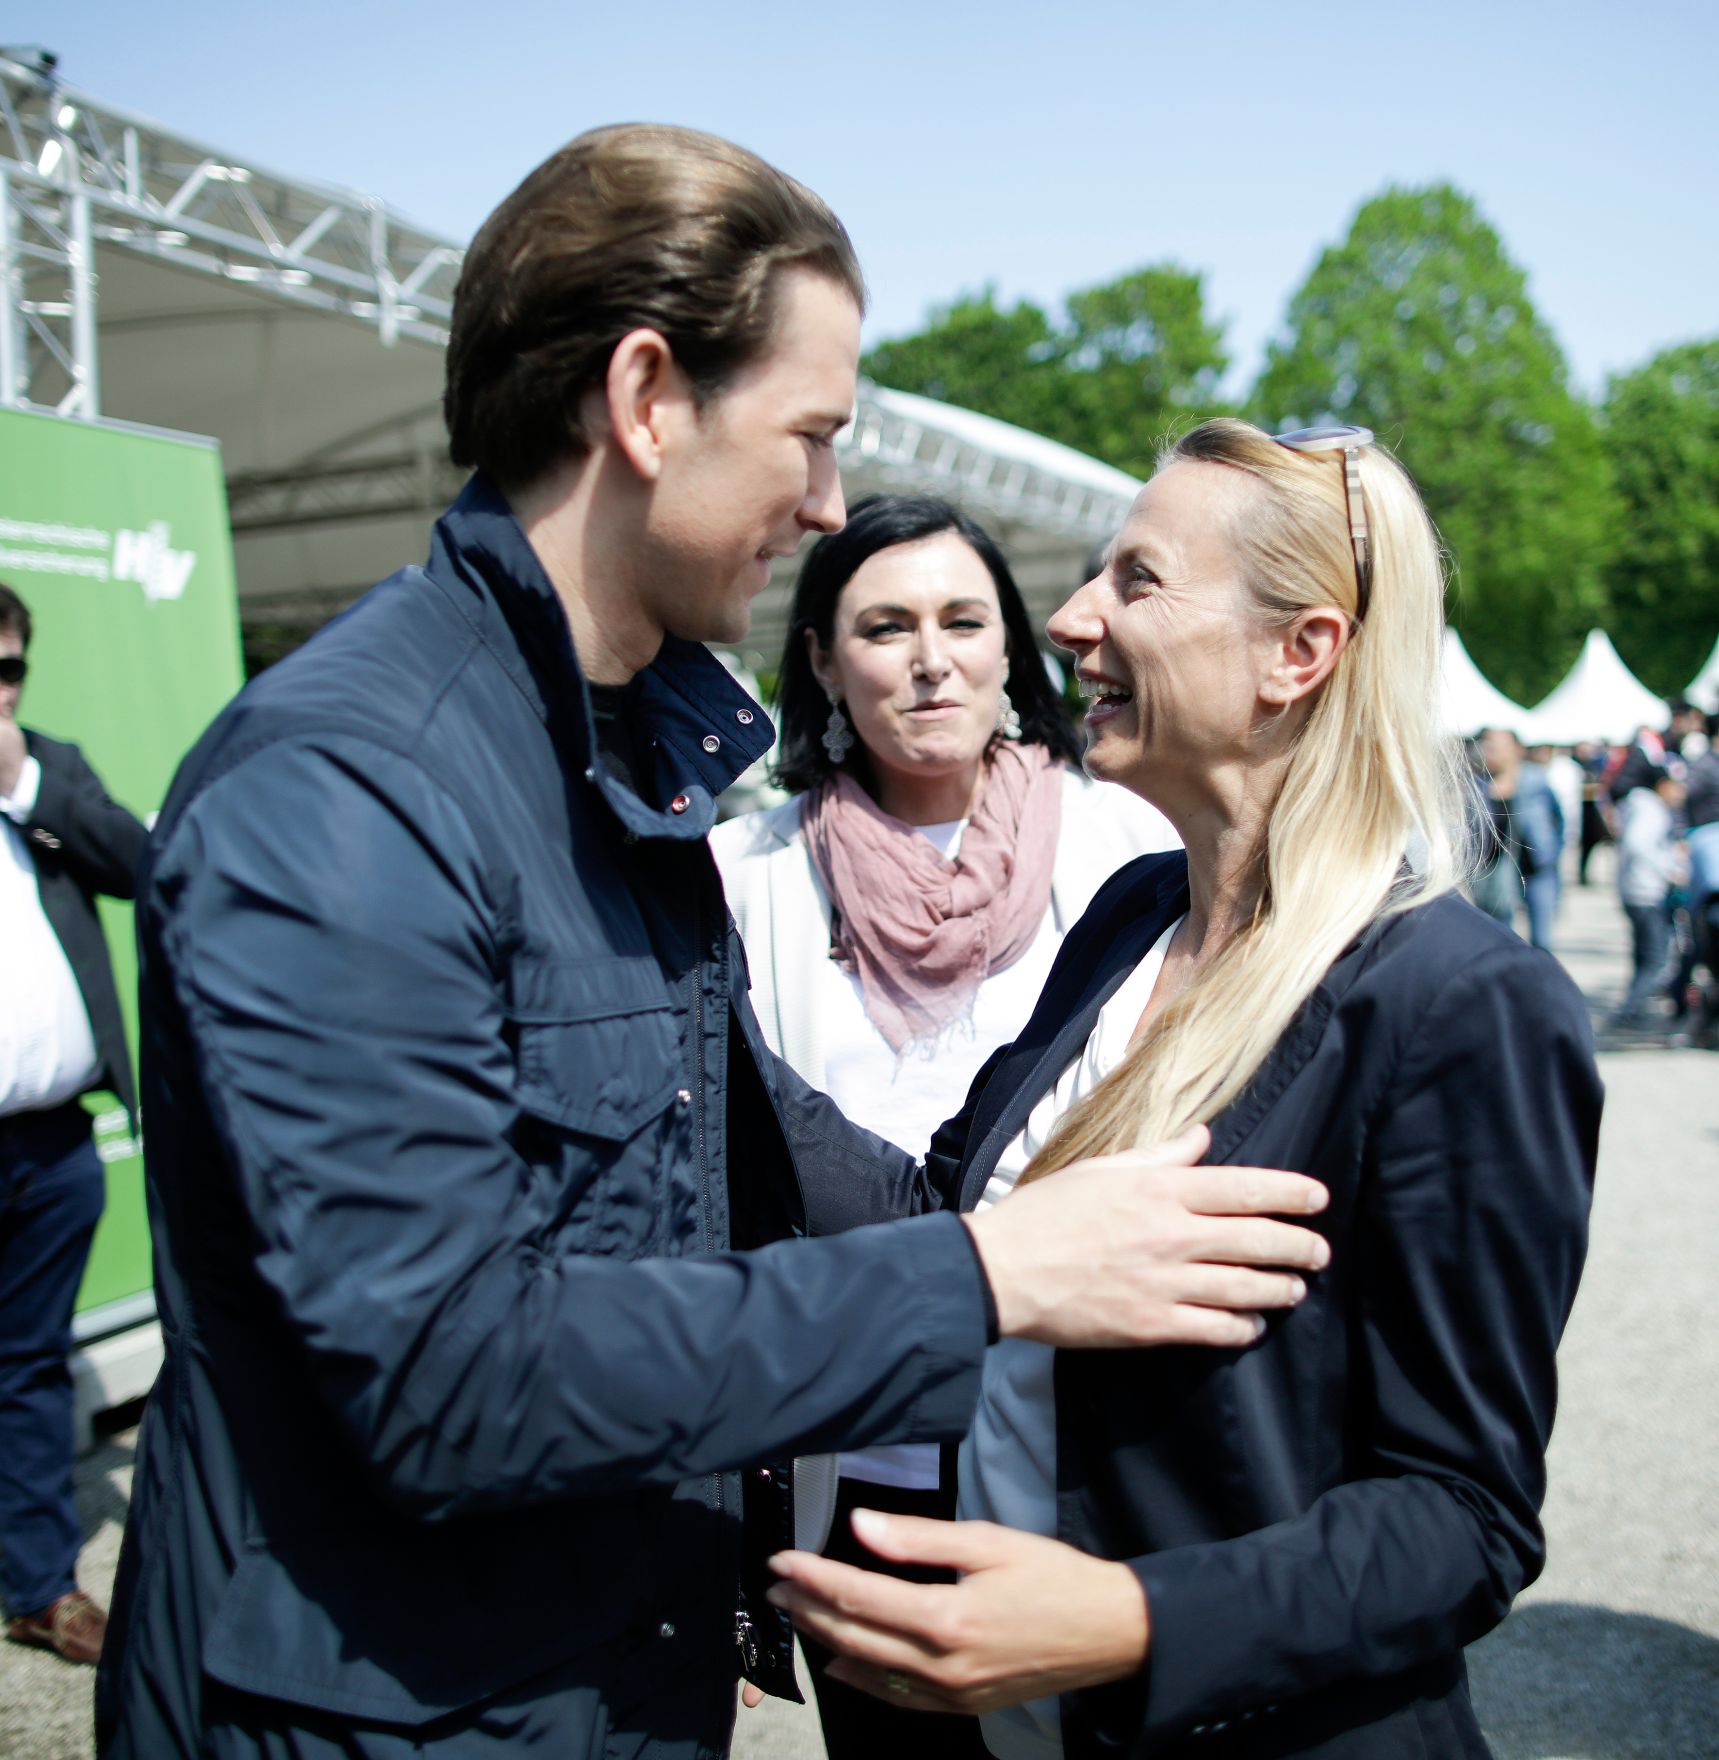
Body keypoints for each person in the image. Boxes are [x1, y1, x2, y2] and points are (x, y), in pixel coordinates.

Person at [94, 130, 1330, 1760]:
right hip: (388, 1710)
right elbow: (446, 1374)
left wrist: (1067, 1222)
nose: (824, 500)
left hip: (571, 1678)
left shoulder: (593, 757)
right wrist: (989, 1274)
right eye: (808, 435)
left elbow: (727, 1151)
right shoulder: (349, 789)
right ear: (645, 398)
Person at [769, 420, 1601, 1759]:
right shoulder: (1127, 920)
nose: (1069, 618)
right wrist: (682, 983)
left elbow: (1460, 1520)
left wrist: (1126, 1619)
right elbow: (941, 1210)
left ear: (1298, 653)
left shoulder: (1454, 1003)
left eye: (1136, 581)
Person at [711, 494, 1176, 1757]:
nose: (931, 657)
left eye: (964, 618)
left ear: (1010, 645)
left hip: (1090, 1426)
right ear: (818, 657)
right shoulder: (744, 872)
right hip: (859, 1440)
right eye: (884, 624)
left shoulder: (1131, 844)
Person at [0, 582, 147, 1668]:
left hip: (53, 1144)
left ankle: (38, 1584)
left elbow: (142, 864)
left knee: (30, 1365)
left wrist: (26, 784)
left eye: (7, 671)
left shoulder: (48, 767)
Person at [1610, 766, 1688, 1029]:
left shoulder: (1640, 806)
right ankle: (1631, 1009)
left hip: (1636, 890)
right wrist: (1669, 870)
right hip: (1645, 892)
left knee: (1644, 956)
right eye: (1677, 785)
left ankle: (1631, 1006)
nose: (1681, 792)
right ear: (1662, 784)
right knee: (1656, 957)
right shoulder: (1650, 809)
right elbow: (1636, 843)